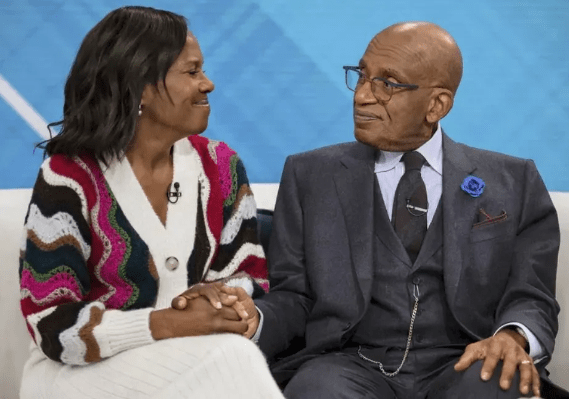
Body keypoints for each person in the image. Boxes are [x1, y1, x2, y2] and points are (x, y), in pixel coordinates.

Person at [252, 21, 561, 398]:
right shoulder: (308, 175)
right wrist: (254, 320)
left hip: (465, 361)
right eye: (361, 76)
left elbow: (531, 295)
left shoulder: (514, 180)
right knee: (317, 389)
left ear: (437, 105)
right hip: (348, 364)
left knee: (499, 384)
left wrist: (512, 337)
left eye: (387, 83)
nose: (362, 96)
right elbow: (293, 296)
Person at [18, 6, 282, 398]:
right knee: (231, 358)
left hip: (193, 359)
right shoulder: (69, 177)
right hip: (76, 373)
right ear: (141, 85)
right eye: (192, 71)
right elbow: (51, 323)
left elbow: (248, 276)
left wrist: (222, 299)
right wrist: (167, 322)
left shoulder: (221, 167)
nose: (208, 84)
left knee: (230, 357)